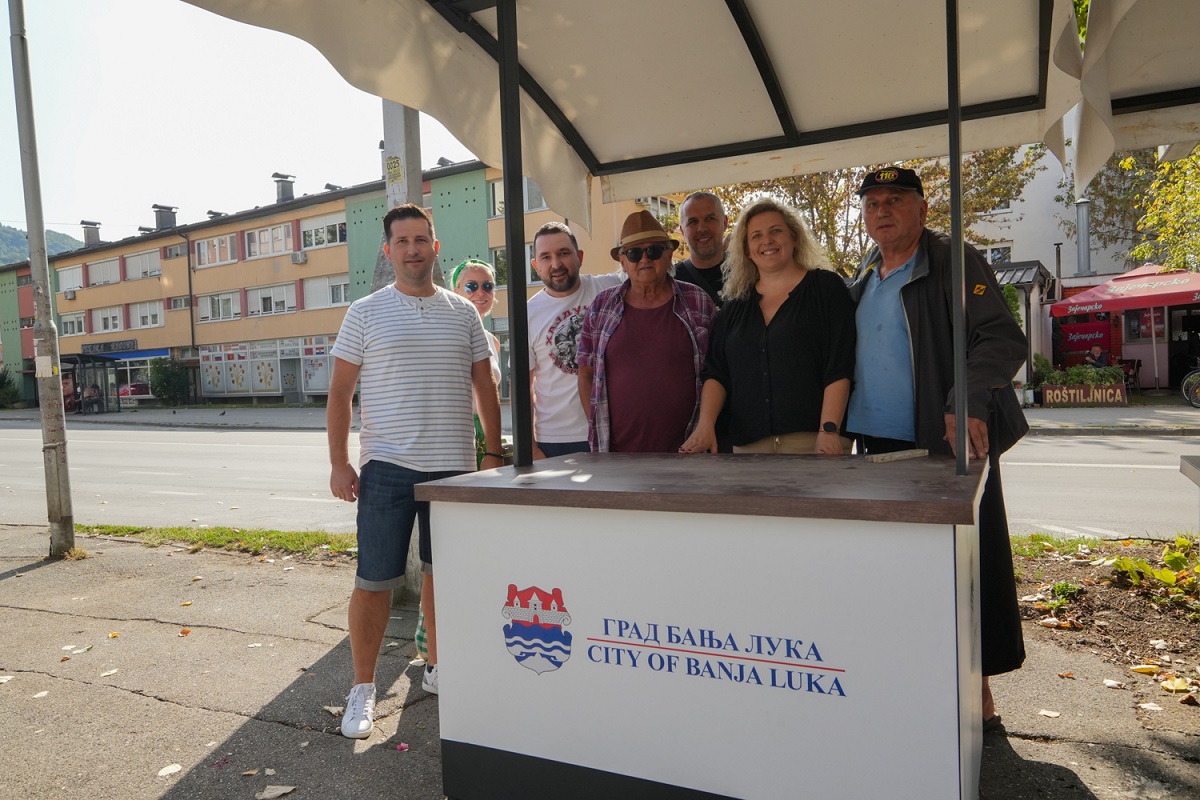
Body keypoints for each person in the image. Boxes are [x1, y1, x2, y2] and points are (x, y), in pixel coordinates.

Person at [844, 166, 1029, 731]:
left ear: (922, 210)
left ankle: (981, 693)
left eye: (895, 199)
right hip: (876, 444)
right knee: (900, 572)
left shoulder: (953, 259)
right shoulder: (865, 274)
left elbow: (1000, 337)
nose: (882, 210)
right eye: (872, 202)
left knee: (966, 567)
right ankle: (913, 682)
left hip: (942, 441)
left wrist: (965, 399)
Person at [327, 203, 502, 738]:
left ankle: (438, 667)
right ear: (388, 249)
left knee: (442, 577)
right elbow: (339, 393)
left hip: (453, 471)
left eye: (421, 239)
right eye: (401, 241)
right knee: (373, 580)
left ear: (435, 246)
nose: (412, 249)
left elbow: (485, 388)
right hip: (386, 467)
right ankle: (362, 688)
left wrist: (492, 454)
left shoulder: (462, 312)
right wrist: (339, 462)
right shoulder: (364, 312)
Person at [680, 198, 856, 456]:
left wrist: (829, 431)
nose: (767, 241)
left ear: (794, 238)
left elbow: (839, 365)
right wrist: (705, 426)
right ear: (747, 250)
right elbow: (717, 373)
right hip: (748, 448)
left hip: (814, 443)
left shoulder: (826, 289)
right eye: (756, 236)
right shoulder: (735, 306)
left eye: (775, 231)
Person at [575, 211, 716, 452]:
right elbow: (585, 374)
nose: (644, 259)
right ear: (622, 261)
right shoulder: (601, 307)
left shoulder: (698, 301)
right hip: (618, 456)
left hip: (689, 451)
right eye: (633, 253)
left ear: (669, 254)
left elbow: (717, 370)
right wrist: (598, 428)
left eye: (654, 251)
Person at [527, 221, 623, 458]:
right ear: (535, 266)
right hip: (555, 439)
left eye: (563, 253)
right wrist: (529, 446)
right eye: (546, 257)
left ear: (579, 256)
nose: (556, 264)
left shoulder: (610, 288)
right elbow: (523, 387)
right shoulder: (527, 314)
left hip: (612, 430)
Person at [452, 258, 503, 467]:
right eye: (471, 286)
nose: (480, 293)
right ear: (456, 292)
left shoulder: (492, 341)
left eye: (487, 286)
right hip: (458, 434)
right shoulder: (451, 336)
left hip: (485, 434)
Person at [674, 191, 729, 308]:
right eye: (693, 222)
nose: (702, 228)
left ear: (725, 222)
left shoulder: (747, 271)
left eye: (710, 218)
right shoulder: (671, 283)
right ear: (683, 231)